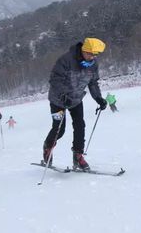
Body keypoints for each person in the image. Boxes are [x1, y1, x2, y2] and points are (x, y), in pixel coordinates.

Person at [42, 37, 108, 170]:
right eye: (90, 54)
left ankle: (78, 155)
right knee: (59, 129)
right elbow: (54, 79)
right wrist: (63, 94)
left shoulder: (93, 64)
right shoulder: (66, 60)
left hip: (76, 100)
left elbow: (93, 82)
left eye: (95, 55)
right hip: (58, 100)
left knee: (80, 126)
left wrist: (98, 98)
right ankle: (48, 147)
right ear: (84, 50)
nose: (92, 57)